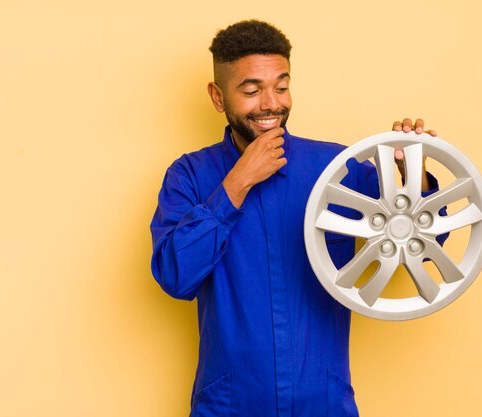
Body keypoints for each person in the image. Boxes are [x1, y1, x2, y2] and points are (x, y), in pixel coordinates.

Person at [150, 20, 443, 417]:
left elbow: (423, 245)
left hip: (323, 402)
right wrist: (236, 184)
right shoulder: (189, 175)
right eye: (251, 90)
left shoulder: (336, 169)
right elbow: (175, 275)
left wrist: (413, 176)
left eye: (282, 87)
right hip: (229, 406)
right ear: (218, 97)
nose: (271, 103)